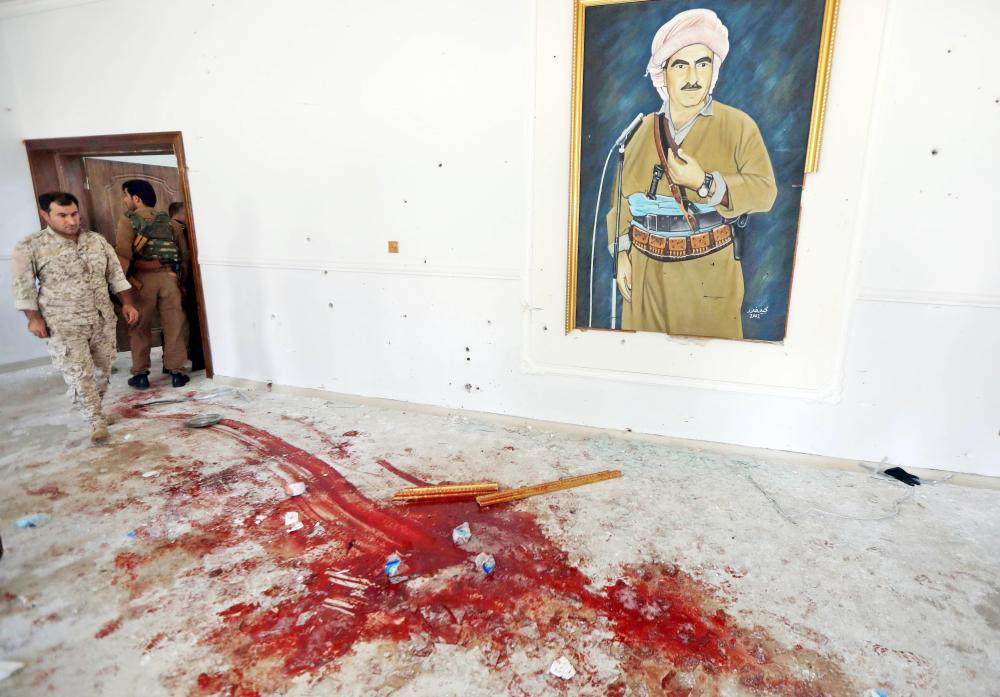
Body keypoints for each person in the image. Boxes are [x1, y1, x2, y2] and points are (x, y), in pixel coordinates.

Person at [607, 8, 777, 339]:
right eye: (681, 65)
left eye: (703, 63)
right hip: (644, 272)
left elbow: (765, 191)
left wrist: (704, 183)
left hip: (707, 271)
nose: (693, 77)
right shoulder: (639, 132)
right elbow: (620, 205)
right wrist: (622, 254)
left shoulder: (737, 125)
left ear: (714, 70)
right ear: (663, 74)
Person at [11, 192, 140, 442]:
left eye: (74, 214)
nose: (70, 221)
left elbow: (115, 275)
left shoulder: (96, 241)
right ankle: (95, 420)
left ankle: (96, 410)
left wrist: (127, 303)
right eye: (62, 215)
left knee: (103, 370)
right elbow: (23, 286)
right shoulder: (31, 246)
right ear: (45, 215)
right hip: (63, 322)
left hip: (101, 318)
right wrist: (33, 318)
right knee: (80, 373)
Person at [115, 179, 189, 388]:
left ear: (136, 199)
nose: (125, 200)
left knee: (139, 327)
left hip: (141, 281)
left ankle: (141, 374)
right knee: (174, 325)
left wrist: (119, 288)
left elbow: (123, 256)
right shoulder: (170, 222)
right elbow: (183, 256)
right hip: (169, 279)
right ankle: (177, 372)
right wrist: (180, 282)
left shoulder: (127, 221)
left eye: (126, 196)